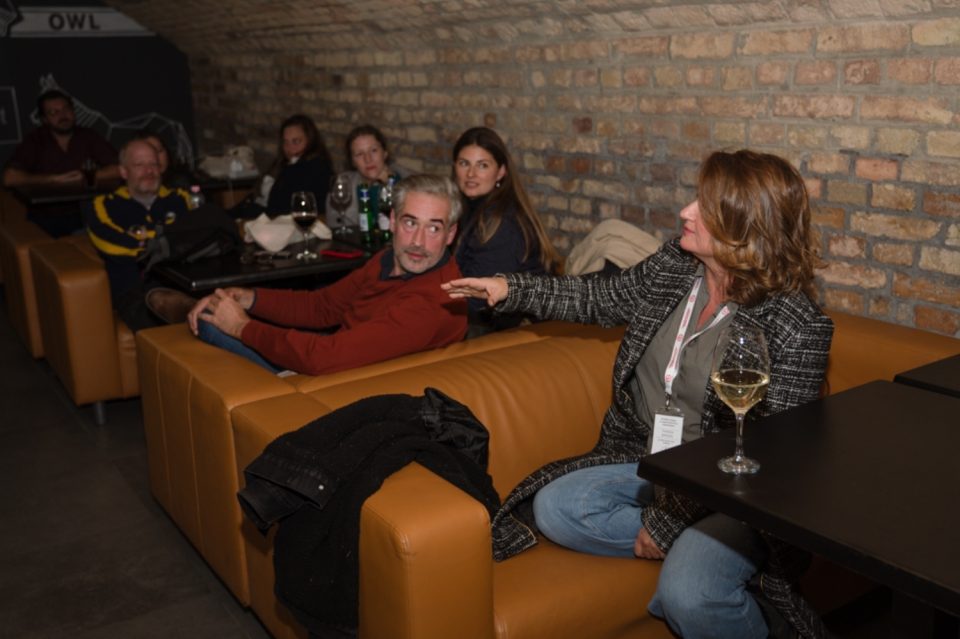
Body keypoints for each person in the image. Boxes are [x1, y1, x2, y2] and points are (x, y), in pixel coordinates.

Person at [444, 150, 834, 639]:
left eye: (704, 207)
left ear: (743, 228)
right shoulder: (676, 265)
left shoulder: (797, 324)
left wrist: (668, 523)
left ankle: (702, 560)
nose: (685, 212)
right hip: (651, 459)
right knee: (556, 507)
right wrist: (508, 288)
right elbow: (599, 298)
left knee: (688, 593)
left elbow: (770, 454)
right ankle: (697, 550)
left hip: (736, 491)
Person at [188, 174, 467, 376]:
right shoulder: (387, 260)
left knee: (209, 323)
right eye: (410, 223)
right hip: (335, 360)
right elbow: (321, 307)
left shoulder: (434, 302)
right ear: (393, 221)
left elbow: (323, 357)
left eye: (434, 228)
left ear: (450, 234)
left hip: (335, 387)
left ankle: (183, 307)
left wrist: (241, 326)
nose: (418, 241)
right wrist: (250, 298)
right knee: (215, 314)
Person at [451, 126, 561, 334]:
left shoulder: (501, 223)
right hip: (489, 319)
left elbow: (477, 299)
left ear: (501, 172)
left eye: (483, 165)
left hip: (517, 330)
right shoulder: (468, 208)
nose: (471, 174)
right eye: (464, 163)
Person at [84, 139, 196, 332]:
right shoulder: (103, 205)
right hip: (134, 289)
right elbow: (110, 243)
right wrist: (168, 237)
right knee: (154, 311)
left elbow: (198, 235)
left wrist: (143, 237)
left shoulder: (182, 199)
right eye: (139, 165)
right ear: (123, 172)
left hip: (182, 284)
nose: (149, 171)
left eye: (153, 164)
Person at [2, 89, 120, 236]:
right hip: (46, 216)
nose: (62, 115)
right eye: (54, 112)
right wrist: (52, 179)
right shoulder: (35, 140)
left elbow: (120, 169)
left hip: (86, 211)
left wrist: (86, 176)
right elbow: (9, 178)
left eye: (66, 109)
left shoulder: (88, 136)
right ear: (44, 119)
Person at [253, 114, 333, 216]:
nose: (290, 148)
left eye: (296, 141)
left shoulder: (315, 168)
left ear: (310, 141)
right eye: (286, 142)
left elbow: (282, 207)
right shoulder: (285, 164)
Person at [324, 124, 400, 230]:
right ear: (353, 162)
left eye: (373, 150)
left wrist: (387, 185)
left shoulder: (404, 183)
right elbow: (335, 226)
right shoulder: (343, 184)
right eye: (359, 154)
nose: (368, 159)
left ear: (385, 153)